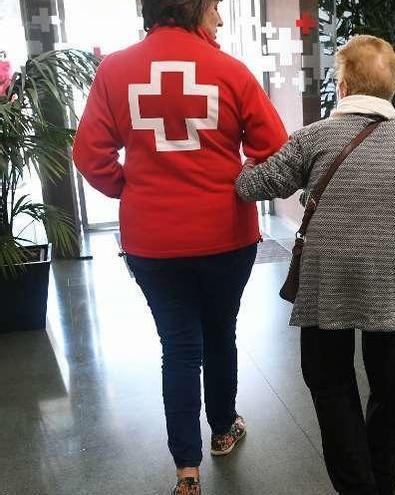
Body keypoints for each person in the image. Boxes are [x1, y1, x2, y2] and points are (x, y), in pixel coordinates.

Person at [71, 1, 288, 493]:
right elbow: (275, 146)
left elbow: (89, 153)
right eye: (214, 7)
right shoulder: (230, 71)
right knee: (219, 334)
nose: (220, 18)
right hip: (224, 235)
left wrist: (127, 188)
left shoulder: (115, 70)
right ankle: (223, 429)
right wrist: (242, 178)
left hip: (152, 240)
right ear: (194, 10)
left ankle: (186, 470)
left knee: (179, 346)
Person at [235, 35, 395, 495]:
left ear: (341, 85)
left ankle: (356, 485)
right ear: (392, 88)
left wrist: (234, 158)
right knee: (391, 387)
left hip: (327, 284)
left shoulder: (313, 137)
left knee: (330, 383)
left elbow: (254, 185)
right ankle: (382, 477)